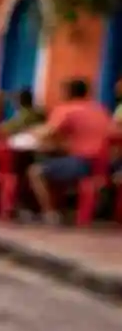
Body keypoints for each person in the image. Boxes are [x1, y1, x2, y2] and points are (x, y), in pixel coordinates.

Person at [29, 78, 113, 224]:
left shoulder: (67, 109)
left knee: (36, 172)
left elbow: (47, 133)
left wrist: (32, 131)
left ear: (67, 93)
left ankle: (50, 214)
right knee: (55, 167)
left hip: (82, 163)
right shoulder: (100, 109)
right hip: (103, 164)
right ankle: (62, 208)